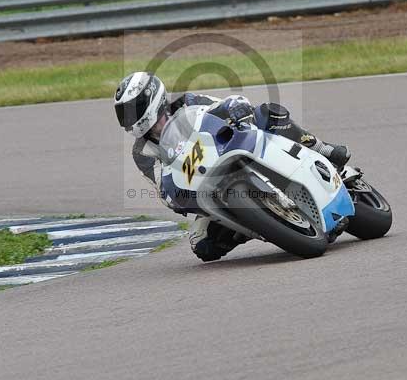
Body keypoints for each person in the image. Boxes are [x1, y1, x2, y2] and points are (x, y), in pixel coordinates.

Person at [114, 72, 350, 262]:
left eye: (132, 109)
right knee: (201, 245)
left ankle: (321, 148)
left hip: (233, 144)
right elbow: (161, 186)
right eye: (124, 113)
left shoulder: (186, 102)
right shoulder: (141, 152)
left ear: (152, 98)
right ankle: (258, 223)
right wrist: (173, 197)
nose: (128, 117)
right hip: (206, 184)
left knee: (265, 113)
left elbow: (222, 105)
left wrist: (236, 110)